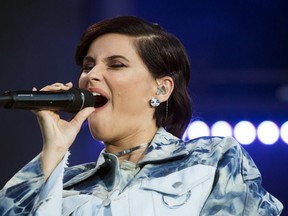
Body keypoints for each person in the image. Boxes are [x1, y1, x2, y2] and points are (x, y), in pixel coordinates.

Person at [0, 16, 283, 216]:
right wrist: (54, 151)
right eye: (88, 65)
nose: (90, 76)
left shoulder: (213, 159)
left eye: (117, 64)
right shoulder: (64, 183)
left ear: (161, 88)